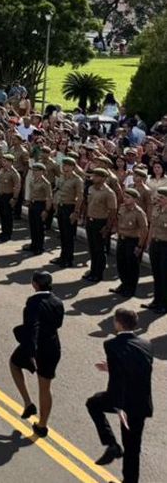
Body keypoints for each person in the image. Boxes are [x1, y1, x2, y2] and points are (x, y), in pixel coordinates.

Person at [87, 307, 153, 483]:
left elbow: (118, 379)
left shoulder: (111, 345)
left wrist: (118, 406)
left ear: (119, 324)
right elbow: (137, 369)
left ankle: (111, 444)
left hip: (124, 401)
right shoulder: (146, 345)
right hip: (142, 402)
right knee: (133, 447)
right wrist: (112, 368)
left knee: (93, 404)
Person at [9, 270, 64, 438]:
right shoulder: (58, 301)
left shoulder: (33, 302)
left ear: (35, 284)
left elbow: (31, 327)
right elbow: (58, 324)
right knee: (45, 387)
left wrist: (31, 352)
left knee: (14, 364)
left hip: (37, 347)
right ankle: (42, 425)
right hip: (53, 346)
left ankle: (27, 402)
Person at [83, 167, 117, 283]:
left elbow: (112, 212)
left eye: (96, 176)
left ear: (103, 178)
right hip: (90, 221)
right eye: (93, 175)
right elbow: (88, 204)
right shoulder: (91, 188)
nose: (93, 178)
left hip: (101, 222)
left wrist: (107, 227)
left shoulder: (109, 193)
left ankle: (98, 273)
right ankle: (93, 271)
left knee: (100, 250)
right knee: (92, 248)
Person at [113, 188, 148, 298]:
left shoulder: (139, 213)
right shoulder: (122, 207)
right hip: (122, 239)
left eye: (128, 197)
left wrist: (139, 246)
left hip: (132, 241)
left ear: (135, 200)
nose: (125, 199)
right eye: (125, 196)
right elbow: (118, 220)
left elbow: (144, 230)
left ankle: (130, 289)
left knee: (132, 266)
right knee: (121, 264)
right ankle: (124, 284)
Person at [54, 157, 83, 267]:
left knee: (68, 235)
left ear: (72, 167)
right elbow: (58, 190)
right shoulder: (62, 177)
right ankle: (63, 256)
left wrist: (76, 212)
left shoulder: (77, 180)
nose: (64, 167)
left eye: (67, 165)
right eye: (64, 165)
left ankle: (68, 259)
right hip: (61, 207)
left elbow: (80, 197)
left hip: (70, 208)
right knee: (62, 234)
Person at [144, 187, 167, 313]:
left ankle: (164, 304)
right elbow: (152, 226)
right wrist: (148, 243)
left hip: (165, 247)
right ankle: (156, 301)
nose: (158, 199)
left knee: (164, 276)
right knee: (157, 274)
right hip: (155, 244)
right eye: (158, 197)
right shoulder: (156, 209)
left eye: (162, 198)